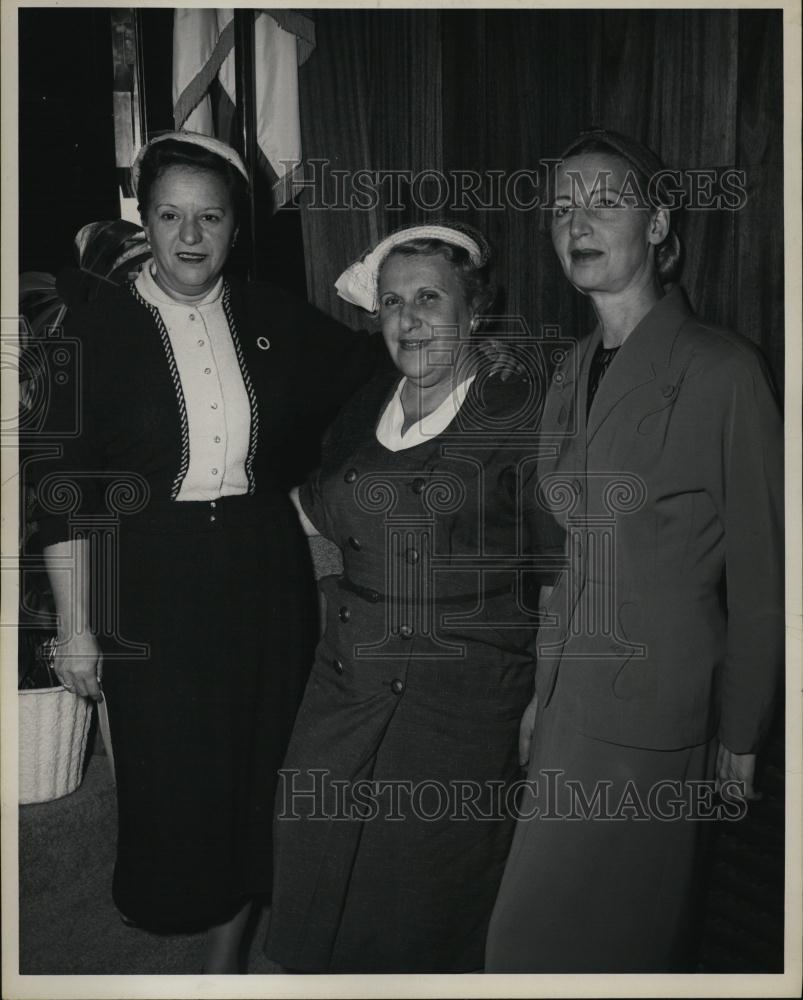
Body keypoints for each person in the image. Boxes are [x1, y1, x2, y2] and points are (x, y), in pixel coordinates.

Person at [33, 131, 386, 972]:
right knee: (174, 772)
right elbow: (62, 491)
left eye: (211, 218)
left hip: (263, 566)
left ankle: (233, 953)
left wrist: (317, 496)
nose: (190, 237)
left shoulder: (270, 314)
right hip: (150, 573)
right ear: (144, 221)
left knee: (263, 756)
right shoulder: (94, 329)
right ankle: (186, 914)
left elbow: (367, 375)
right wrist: (77, 626)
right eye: (170, 216)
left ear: (236, 226)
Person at [484, 128, 784, 972]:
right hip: (571, 699)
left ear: (656, 225)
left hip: (658, 709)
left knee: (620, 948)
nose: (577, 221)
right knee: (526, 943)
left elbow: (766, 572)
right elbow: (566, 558)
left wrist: (743, 730)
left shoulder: (723, 369)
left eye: (604, 201)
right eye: (561, 208)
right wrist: (543, 694)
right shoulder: (570, 367)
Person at [264, 223, 562, 973]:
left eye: (429, 297)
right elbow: (319, 511)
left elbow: (562, 567)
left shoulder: (520, 412)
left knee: (426, 895)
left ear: (475, 309)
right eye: (392, 302)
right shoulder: (366, 401)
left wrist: (546, 700)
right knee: (311, 857)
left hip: (462, 699)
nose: (407, 318)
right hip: (347, 679)